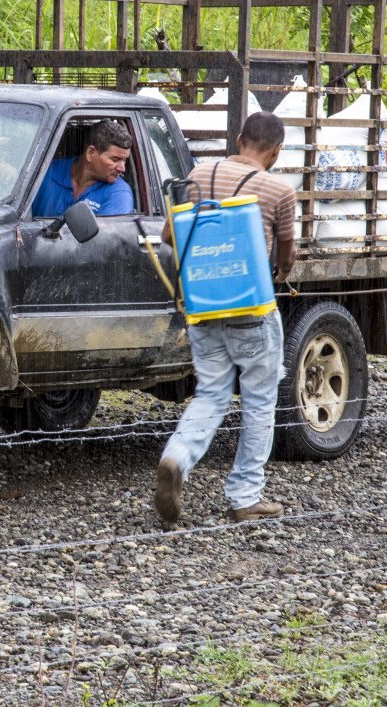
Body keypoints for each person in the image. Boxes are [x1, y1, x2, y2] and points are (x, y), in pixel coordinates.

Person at [154, 110, 296, 524]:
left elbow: (169, 235)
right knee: (259, 402)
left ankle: (176, 458)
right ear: (277, 151)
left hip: (204, 305)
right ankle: (245, 497)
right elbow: (286, 256)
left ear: (239, 140)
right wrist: (280, 271)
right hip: (251, 309)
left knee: (212, 395)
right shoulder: (279, 190)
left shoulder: (199, 174)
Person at [31, 119, 134, 218]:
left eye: (124, 160)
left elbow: (108, 231)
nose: (122, 169)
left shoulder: (119, 194)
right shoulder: (44, 172)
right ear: (91, 153)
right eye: (115, 160)